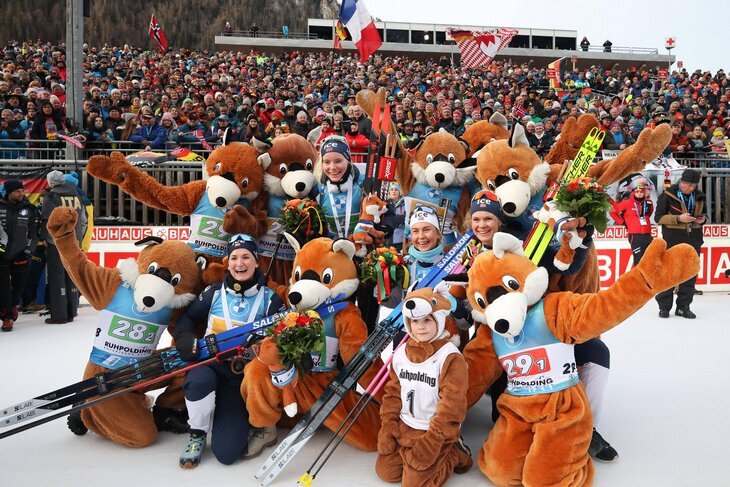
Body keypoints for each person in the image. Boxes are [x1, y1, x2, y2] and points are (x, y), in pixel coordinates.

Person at [466, 190, 618, 461]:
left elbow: (565, 266)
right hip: (498, 339)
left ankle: (586, 425)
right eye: (476, 219)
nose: (482, 225)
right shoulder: (465, 253)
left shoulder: (522, 247)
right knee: (499, 416)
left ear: (500, 221)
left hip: (540, 329)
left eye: (488, 218)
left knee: (597, 352)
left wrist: (582, 239)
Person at [173, 234, 285, 468]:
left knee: (227, 453)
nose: (239, 263)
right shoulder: (213, 292)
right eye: (234, 257)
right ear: (228, 262)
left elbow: (283, 338)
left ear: (256, 262)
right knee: (198, 381)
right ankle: (197, 432)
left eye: (246, 257)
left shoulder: (270, 299)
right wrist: (185, 339)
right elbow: (187, 319)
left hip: (241, 376)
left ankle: (245, 417)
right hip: (211, 365)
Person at [376, 287, 473, 486]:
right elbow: (393, 393)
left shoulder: (450, 356)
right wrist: (388, 426)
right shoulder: (402, 352)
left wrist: (432, 442)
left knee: (414, 484)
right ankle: (410, 455)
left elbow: (452, 406)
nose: (421, 327)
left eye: (427, 320)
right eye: (415, 321)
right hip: (406, 424)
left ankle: (453, 453)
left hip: (434, 430)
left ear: (438, 319)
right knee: (386, 473)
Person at [655, 169, 706, 319]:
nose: (691, 188)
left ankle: (683, 307)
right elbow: (658, 217)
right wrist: (678, 219)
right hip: (672, 240)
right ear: (681, 182)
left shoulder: (699, 196)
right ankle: (664, 307)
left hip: (694, 240)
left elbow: (706, 214)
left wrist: (703, 220)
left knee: (689, 274)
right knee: (668, 274)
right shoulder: (667, 195)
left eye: (693, 185)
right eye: (688, 185)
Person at [40, 170, 86, 324]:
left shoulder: (52, 196)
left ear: (50, 182)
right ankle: (71, 312)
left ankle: (59, 315)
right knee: (71, 276)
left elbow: (47, 221)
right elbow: (84, 220)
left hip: (57, 243)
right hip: (75, 242)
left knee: (57, 277)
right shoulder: (76, 196)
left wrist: (44, 239)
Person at [0, 180, 40, 331]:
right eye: (18, 191)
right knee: (3, 287)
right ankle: (8, 317)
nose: (21, 194)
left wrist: (29, 250)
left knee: (19, 286)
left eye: (23, 191)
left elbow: (34, 233)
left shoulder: (30, 209)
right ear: (9, 192)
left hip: (21, 253)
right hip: (1, 254)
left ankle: (10, 307)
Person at [315, 136, 364, 240]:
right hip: (331, 249)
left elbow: (383, 204)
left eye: (338, 161)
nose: (332, 167)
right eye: (327, 162)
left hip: (361, 247)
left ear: (348, 160)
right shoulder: (320, 187)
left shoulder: (363, 182)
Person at [610, 177, 654, 265]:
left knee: (649, 260)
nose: (639, 194)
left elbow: (649, 213)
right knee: (638, 260)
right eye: (637, 192)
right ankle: (638, 278)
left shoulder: (649, 202)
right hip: (635, 236)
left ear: (644, 192)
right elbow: (612, 212)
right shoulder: (627, 203)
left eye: (641, 192)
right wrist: (622, 222)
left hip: (647, 235)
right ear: (633, 193)